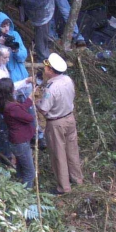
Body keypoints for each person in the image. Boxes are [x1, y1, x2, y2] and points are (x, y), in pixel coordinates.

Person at [36, 53, 83, 195]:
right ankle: (77, 179)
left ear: (50, 70)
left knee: (59, 154)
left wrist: (36, 101)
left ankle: (63, 187)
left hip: (56, 123)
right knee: (72, 150)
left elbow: (44, 109)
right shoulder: (68, 80)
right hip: (70, 119)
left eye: (46, 67)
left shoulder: (51, 88)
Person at [0, 77, 36, 188]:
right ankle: (26, 196)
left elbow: (20, 110)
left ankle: (19, 188)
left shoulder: (5, 104)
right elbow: (28, 118)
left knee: (21, 168)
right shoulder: (12, 107)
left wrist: (29, 99)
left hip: (16, 141)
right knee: (29, 173)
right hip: (21, 142)